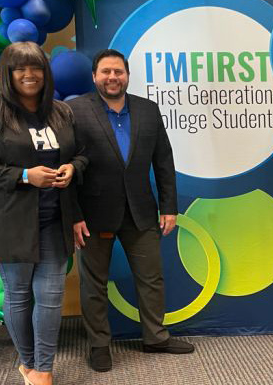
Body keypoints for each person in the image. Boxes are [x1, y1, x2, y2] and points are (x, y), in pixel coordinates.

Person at [0, 42, 86, 385]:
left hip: (54, 220)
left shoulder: (62, 112)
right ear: (8, 74)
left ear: (46, 73)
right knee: (18, 296)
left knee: (50, 298)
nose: (29, 75)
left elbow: (80, 154)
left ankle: (43, 370)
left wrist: (73, 168)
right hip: (10, 222)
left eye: (36, 68)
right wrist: (25, 176)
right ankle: (28, 364)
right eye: (20, 68)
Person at [69, 49, 194, 373]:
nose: (112, 77)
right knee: (94, 284)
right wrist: (73, 215)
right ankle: (99, 345)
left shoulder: (148, 110)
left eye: (118, 72)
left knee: (151, 278)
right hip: (93, 214)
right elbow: (67, 167)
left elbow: (163, 161)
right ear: (95, 76)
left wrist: (169, 207)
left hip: (141, 210)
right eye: (106, 72)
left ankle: (156, 338)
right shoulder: (75, 110)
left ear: (127, 75)